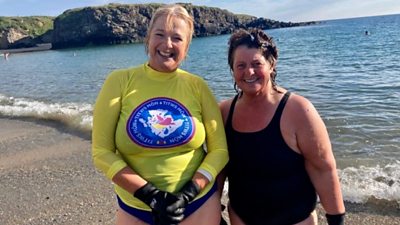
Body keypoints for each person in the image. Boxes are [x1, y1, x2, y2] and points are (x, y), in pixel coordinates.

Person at [92, 4, 228, 225]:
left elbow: (219, 151)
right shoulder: (119, 81)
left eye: (177, 38)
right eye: (160, 34)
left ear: (187, 46)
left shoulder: (197, 86)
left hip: (197, 204)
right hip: (137, 207)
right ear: (148, 38)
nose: (167, 44)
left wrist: (188, 193)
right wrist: (150, 195)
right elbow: (101, 151)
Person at [218, 28, 345, 225]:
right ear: (232, 70)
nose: (249, 72)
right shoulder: (224, 112)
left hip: (296, 219)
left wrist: (337, 220)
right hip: (241, 219)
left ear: (271, 64)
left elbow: (323, 169)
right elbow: (219, 169)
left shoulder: (298, 110)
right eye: (240, 65)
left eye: (256, 64)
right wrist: (215, 211)